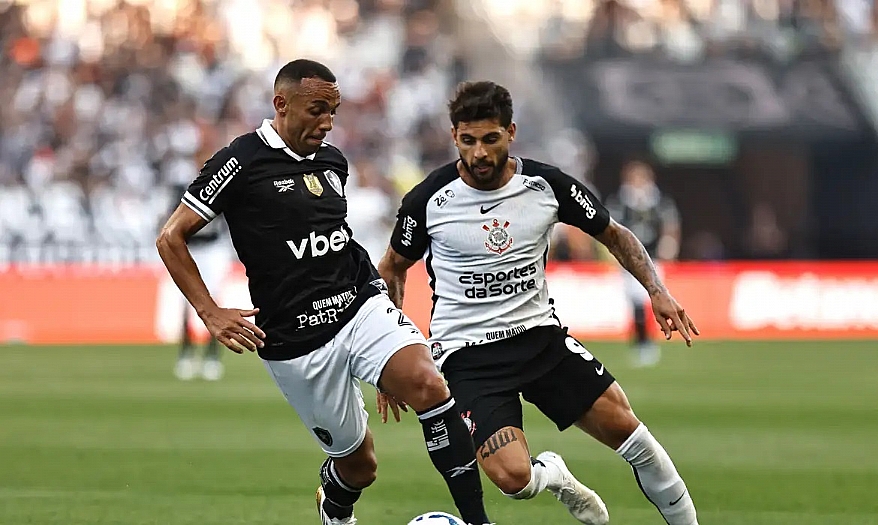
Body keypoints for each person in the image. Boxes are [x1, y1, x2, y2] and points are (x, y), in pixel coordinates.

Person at [156, 60, 492, 525]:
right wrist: (210, 312)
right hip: (297, 341)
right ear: (281, 104)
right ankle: (333, 506)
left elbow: (337, 238)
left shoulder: (333, 161)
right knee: (361, 465)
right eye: (316, 110)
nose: (327, 122)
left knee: (428, 385)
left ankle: (479, 521)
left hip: (358, 304)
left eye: (332, 111)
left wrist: (390, 348)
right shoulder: (240, 161)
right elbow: (170, 236)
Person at [377, 81, 700, 525]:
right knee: (514, 479)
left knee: (634, 436)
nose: (480, 153)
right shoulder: (428, 200)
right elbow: (392, 268)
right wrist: (390, 358)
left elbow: (614, 233)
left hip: (540, 340)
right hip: (468, 358)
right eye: (468, 140)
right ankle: (554, 477)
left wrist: (656, 290)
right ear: (454, 137)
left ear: (511, 132)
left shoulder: (545, 185)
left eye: (491, 139)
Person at [605, 161, 681, 367]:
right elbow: (609, 228)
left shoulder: (659, 202)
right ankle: (642, 342)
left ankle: (653, 339)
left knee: (653, 298)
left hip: (653, 257)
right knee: (635, 301)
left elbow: (670, 225)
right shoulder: (620, 203)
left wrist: (669, 247)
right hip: (629, 260)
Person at [168, 190, 232, 381]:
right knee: (187, 302)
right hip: (190, 247)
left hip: (212, 249)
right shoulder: (183, 192)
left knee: (213, 302)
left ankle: (212, 355)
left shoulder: (221, 187)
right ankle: (186, 352)